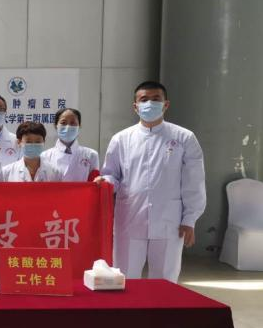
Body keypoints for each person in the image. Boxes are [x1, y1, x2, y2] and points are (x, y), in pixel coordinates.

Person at [96, 81, 206, 282]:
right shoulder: (121, 139)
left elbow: (194, 182)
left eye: (156, 99)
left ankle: (162, 305)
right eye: (144, 99)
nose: (149, 104)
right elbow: (112, 175)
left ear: (166, 104)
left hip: (169, 221)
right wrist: (105, 181)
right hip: (130, 218)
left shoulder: (184, 138)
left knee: (165, 280)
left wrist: (189, 219)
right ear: (135, 106)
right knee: (125, 278)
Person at [41, 108, 100, 182]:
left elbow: (94, 184)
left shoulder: (91, 155)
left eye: (73, 123)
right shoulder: (45, 156)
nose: (68, 126)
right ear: (56, 126)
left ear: (79, 126)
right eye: (63, 123)